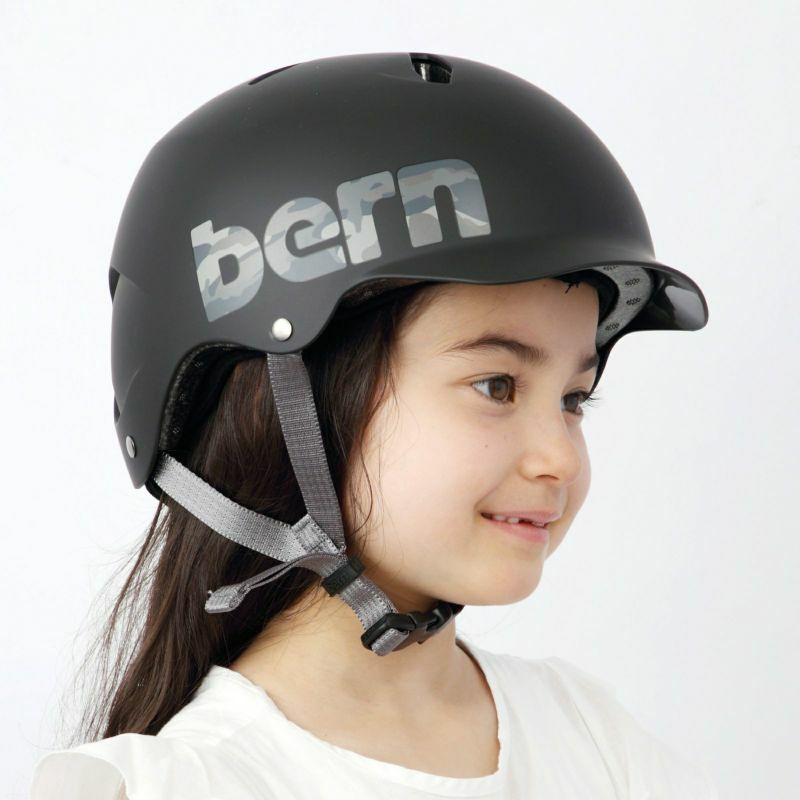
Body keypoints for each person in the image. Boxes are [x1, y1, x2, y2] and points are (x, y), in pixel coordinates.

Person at [29, 52, 718, 798]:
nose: (561, 458)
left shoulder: (589, 735)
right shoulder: (173, 786)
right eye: (496, 385)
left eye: (573, 398)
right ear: (280, 407)